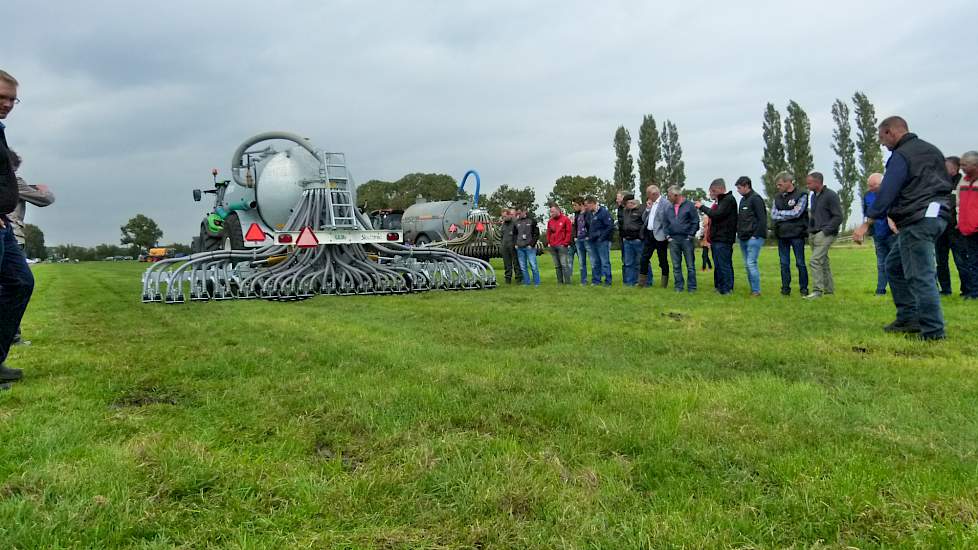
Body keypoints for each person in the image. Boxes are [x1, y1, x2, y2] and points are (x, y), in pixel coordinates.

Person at [854, 116, 953, 340]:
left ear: (892, 132)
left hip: (917, 219)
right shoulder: (933, 150)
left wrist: (867, 221)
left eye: (882, 138)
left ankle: (933, 331)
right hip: (939, 216)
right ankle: (908, 317)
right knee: (894, 266)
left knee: (921, 275)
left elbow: (888, 190)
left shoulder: (901, 155)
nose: (882, 143)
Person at [0, 69, 33, 388]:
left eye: (12, 99)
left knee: (21, 282)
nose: (8, 104)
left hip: (4, 224)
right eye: (1, 97)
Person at [6, 150, 55, 345]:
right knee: (17, 284)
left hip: (10, 236)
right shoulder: (14, 182)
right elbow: (44, 199)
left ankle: (11, 335)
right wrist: (44, 189)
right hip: (12, 238)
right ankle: (12, 336)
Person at [769, 171, 810, 297]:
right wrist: (787, 214)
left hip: (797, 234)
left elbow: (797, 213)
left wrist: (781, 214)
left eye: (780, 184)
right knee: (784, 263)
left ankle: (804, 288)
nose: (778, 187)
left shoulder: (802, 194)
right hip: (782, 234)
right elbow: (773, 214)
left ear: (788, 182)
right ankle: (785, 288)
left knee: (800, 262)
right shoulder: (777, 198)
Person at [805, 172, 843, 299]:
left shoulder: (831, 195)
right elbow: (814, 215)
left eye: (809, 182)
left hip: (826, 233)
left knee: (815, 260)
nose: (807, 185)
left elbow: (838, 216)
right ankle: (829, 290)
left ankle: (817, 291)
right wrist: (810, 230)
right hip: (814, 233)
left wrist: (825, 231)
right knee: (823, 262)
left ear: (817, 182)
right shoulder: (813, 196)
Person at [696, 178, 737, 295]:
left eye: (713, 191)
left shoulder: (728, 200)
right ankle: (719, 287)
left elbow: (717, 215)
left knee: (724, 264)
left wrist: (702, 207)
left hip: (724, 239)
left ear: (721, 189)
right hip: (717, 239)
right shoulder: (720, 202)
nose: (711, 194)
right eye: (710, 191)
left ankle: (727, 289)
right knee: (718, 264)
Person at [936, 156, 968, 296]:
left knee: (960, 260)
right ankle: (945, 290)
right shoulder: (940, 183)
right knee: (941, 261)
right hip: (941, 228)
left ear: (955, 168)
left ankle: (966, 289)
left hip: (956, 229)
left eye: (946, 166)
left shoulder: (963, 183)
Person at [662, 186, 699, 292]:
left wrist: (690, 235)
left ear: (676, 195)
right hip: (673, 240)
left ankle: (692, 287)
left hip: (686, 239)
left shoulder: (689, 206)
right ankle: (679, 287)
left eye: (669, 196)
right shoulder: (668, 208)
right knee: (676, 265)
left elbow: (695, 221)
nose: (668, 198)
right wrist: (668, 236)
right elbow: (665, 223)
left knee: (690, 265)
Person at [735, 176, 766, 296]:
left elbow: (762, 219)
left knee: (751, 263)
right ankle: (753, 288)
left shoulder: (756, 199)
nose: (738, 190)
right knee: (747, 264)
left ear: (746, 186)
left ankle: (756, 290)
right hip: (743, 237)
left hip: (754, 237)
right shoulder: (743, 200)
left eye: (739, 188)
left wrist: (756, 235)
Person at [863, 173, 893, 296]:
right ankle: (880, 290)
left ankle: (902, 289)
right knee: (881, 263)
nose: (870, 188)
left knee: (896, 262)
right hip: (878, 234)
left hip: (893, 234)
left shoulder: (891, 193)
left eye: (873, 186)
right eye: (869, 186)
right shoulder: (867, 196)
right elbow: (867, 214)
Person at [956, 151, 978, 299]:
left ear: (975, 165)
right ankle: (973, 292)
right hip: (967, 229)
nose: (961, 167)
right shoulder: (963, 182)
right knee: (972, 261)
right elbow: (958, 204)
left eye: (964, 165)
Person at [639, 184, 669, 288]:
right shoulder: (651, 204)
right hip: (649, 235)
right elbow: (644, 219)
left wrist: (666, 235)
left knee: (662, 260)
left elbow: (667, 220)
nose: (647, 197)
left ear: (653, 194)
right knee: (644, 258)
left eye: (648, 194)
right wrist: (647, 209)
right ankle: (641, 283)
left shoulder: (665, 203)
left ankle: (664, 284)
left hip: (660, 236)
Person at [585, 196, 613, 286]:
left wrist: (601, 237)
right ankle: (596, 280)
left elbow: (609, 226)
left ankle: (608, 281)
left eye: (587, 205)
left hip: (602, 241)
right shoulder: (589, 214)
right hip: (592, 241)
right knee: (596, 262)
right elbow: (588, 225)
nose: (586, 207)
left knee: (605, 261)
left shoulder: (604, 212)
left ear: (592, 203)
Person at [619, 194, 645, 286]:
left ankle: (646, 282)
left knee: (641, 262)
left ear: (631, 202)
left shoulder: (641, 209)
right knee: (628, 263)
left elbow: (644, 224)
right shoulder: (625, 211)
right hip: (627, 240)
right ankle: (630, 283)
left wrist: (640, 236)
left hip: (638, 240)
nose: (624, 206)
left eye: (625, 203)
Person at [546, 204, 573, 284]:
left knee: (564, 264)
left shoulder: (565, 219)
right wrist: (549, 242)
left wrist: (565, 243)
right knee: (557, 266)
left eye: (553, 211)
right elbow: (548, 232)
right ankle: (560, 282)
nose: (551, 213)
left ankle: (568, 282)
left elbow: (569, 232)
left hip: (562, 245)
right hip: (553, 246)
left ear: (558, 210)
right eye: (550, 212)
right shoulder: (550, 221)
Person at [513, 208, 540, 286]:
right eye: (517, 213)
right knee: (523, 266)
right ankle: (527, 282)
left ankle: (537, 282)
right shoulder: (516, 222)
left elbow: (536, 234)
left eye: (520, 213)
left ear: (524, 212)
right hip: (520, 248)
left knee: (533, 265)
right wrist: (515, 244)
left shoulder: (532, 221)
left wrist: (531, 244)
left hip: (529, 248)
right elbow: (514, 234)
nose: (518, 215)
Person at [499, 208, 522, 284]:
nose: (504, 218)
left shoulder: (516, 222)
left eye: (505, 216)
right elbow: (501, 236)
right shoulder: (503, 224)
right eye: (503, 217)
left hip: (514, 246)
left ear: (509, 215)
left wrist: (517, 244)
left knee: (516, 263)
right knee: (507, 264)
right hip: (505, 246)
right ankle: (508, 279)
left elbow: (519, 234)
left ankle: (518, 279)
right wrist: (502, 245)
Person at [571, 197, 590, 285]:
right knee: (582, 262)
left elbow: (591, 225)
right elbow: (575, 226)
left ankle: (596, 280)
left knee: (594, 260)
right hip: (579, 240)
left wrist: (589, 236)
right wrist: (575, 236)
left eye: (575, 205)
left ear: (581, 205)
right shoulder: (576, 214)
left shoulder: (588, 213)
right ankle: (584, 280)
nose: (574, 207)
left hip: (587, 240)